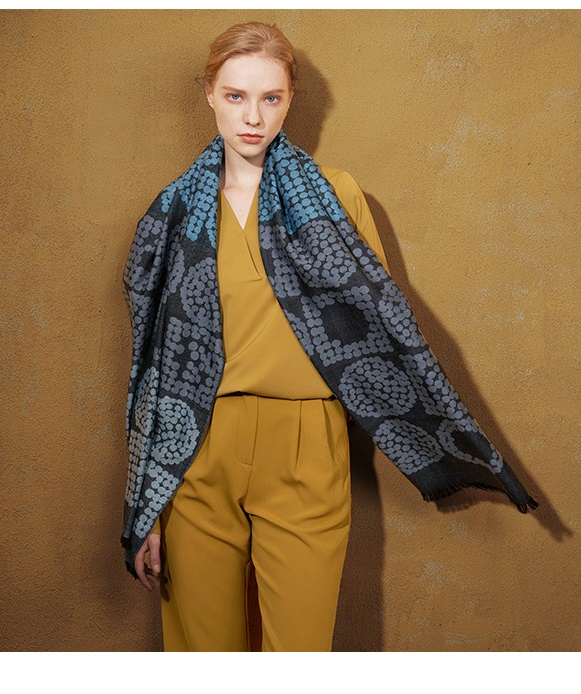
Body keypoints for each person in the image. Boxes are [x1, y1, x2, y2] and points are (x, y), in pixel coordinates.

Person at [120, 21, 537, 652]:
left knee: (302, 655)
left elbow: (380, 326)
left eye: (271, 97)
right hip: (197, 447)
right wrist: (148, 503)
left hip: (307, 443)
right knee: (203, 658)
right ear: (209, 94)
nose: (253, 117)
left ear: (291, 99)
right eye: (235, 96)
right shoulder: (174, 211)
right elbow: (152, 362)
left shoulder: (335, 197)